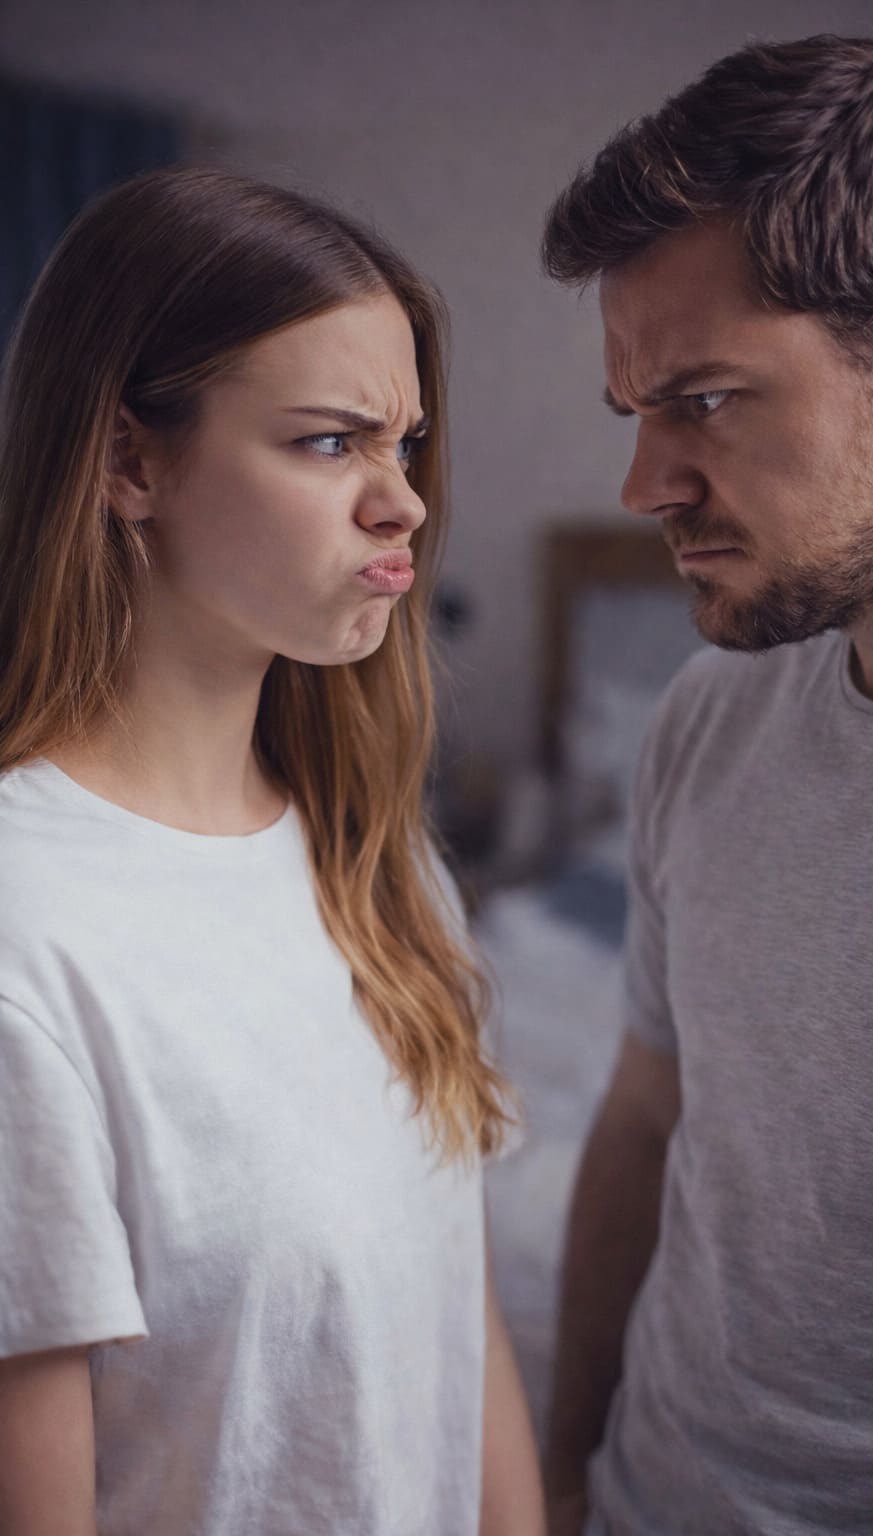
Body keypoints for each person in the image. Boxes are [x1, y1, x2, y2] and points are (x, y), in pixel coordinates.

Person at [0, 167, 544, 1536]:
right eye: (329, 442)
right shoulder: (27, 936)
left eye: (405, 444)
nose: (402, 502)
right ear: (129, 462)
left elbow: (461, 1332)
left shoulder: (382, 869)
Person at [540, 34, 873, 1536]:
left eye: (704, 399)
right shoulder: (709, 718)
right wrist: (564, 1469)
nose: (646, 486)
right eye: (637, 413)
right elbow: (644, 1117)